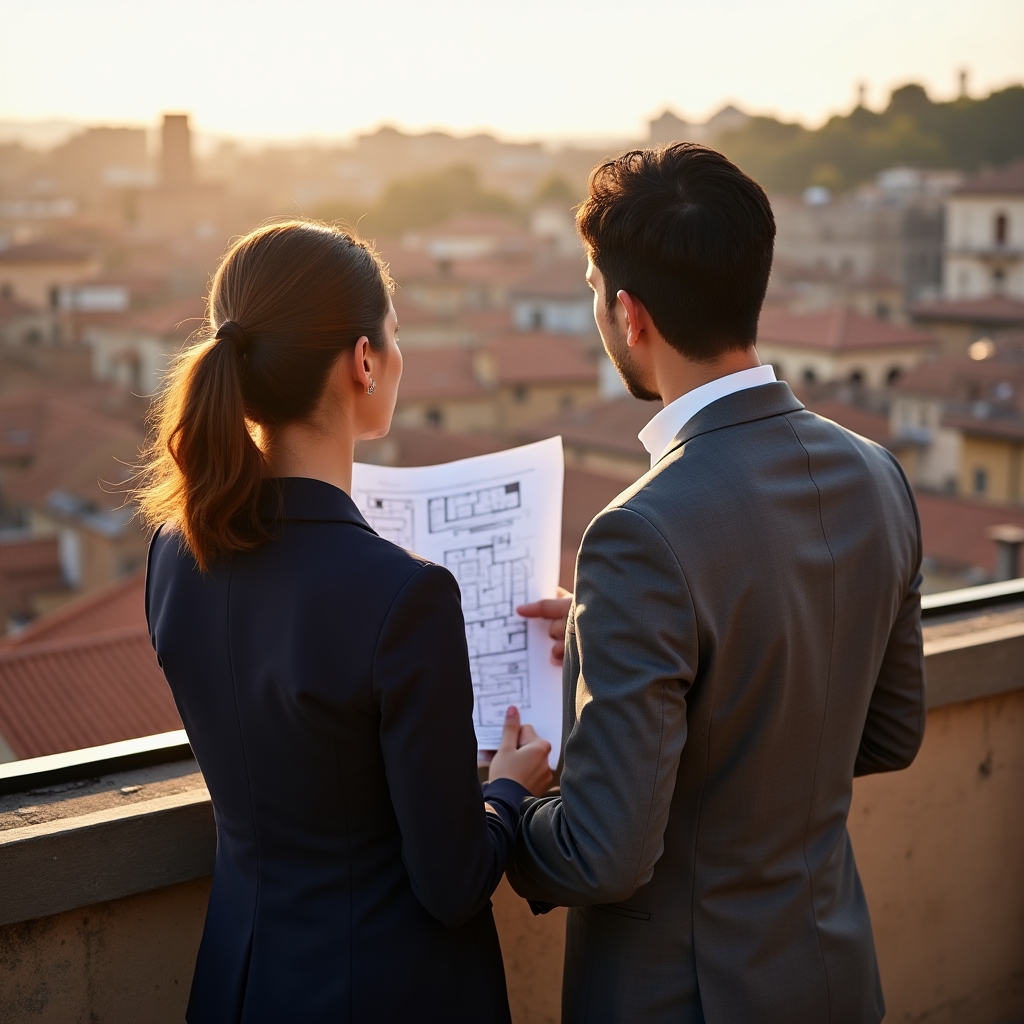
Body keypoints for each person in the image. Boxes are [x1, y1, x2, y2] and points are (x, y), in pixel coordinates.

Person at [512, 144, 925, 1024]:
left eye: (594, 289)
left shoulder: (638, 533)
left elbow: (601, 853)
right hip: (835, 976)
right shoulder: (878, 474)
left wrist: (504, 807)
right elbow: (888, 732)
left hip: (683, 998)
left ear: (628, 315)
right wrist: (610, 630)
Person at [138, 220, 553, 1024]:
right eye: (395, 335)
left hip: (238, 984)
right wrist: (507, 791)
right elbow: (452, 882)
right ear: (363, 361)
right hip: (383, 992)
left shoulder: (172, 552)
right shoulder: (405, 595)